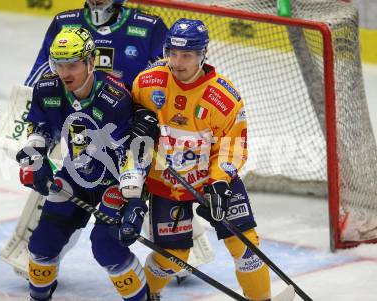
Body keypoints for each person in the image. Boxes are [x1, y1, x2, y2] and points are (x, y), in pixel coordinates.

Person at [127, 18, 272, 300]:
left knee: (246, 246)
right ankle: (147, 296)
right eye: (173, 53)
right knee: (172, 257)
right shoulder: (147, 83)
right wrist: (135, 121)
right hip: (166, 184)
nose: (178, 63)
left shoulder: (223, 97)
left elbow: (233, 146)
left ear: (202, 54)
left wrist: (219, 182)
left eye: (187, 56)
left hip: (212, 181)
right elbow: (127, 129)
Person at [17, 26, 159, 301]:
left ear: (90, 61)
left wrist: (133, 197)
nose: (65, 72)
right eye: (59, 64)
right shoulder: (47, 87)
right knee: (42, 243)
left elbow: (133, 151)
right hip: (77, 173)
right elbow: (42, 127)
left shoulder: (113, 98)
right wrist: (36, 155)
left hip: (115, 180)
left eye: (72, 64)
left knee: (106, 245)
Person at [25, 0, 168, 89]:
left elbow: (167, 76)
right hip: (73, 110)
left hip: (128, 116)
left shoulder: (150, 27)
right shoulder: (64, 23)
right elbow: (41, 75)